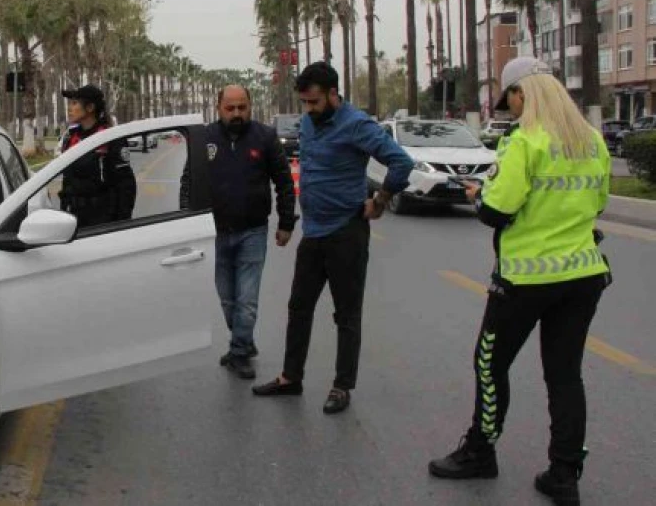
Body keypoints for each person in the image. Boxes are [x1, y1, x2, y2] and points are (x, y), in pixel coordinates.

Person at [428, 58, 612, 506]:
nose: (508, 108)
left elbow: (497, 211)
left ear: (521, 94)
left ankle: (480, 451)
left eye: (508, 99)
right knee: (565, 375)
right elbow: (599, 204)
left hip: (525, 280)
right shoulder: (591, 141)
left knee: (489, 364)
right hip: (584, 276)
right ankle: (564, 474)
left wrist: (481, 195)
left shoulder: (523, 142)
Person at [252, 61, 413, 414]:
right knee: (298, 307)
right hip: (314, 233)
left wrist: (381, 200)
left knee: (346, 314)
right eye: (304, 103)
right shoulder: (309, 125)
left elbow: (401, 162)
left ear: (333, 94)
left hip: (347, 233)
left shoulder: (357, 125)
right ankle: (290, 378)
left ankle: (342, 386)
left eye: (314, 102)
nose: (308, 110)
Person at [191, 84, 296, 379]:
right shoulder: (205, 139)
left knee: (247, 300)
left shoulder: (265, 137)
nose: (237, 113)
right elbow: (190, 184)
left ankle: (238, 352)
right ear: (218, 107)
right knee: (228, 299)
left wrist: (287, 222)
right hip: (215, 233)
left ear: (250, 106)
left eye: (242, 107)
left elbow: (284, 182)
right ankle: (245, 342)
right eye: (230, 108)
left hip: (253, 232)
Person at [57, 84, 136, 229]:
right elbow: (67, 179)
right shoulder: (71, 137)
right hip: (73, 219)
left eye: (75, 103)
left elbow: (126, 185)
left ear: (90, 108)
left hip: (102, 220)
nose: (69, 108)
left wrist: (122, 224)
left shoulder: (110, 138)